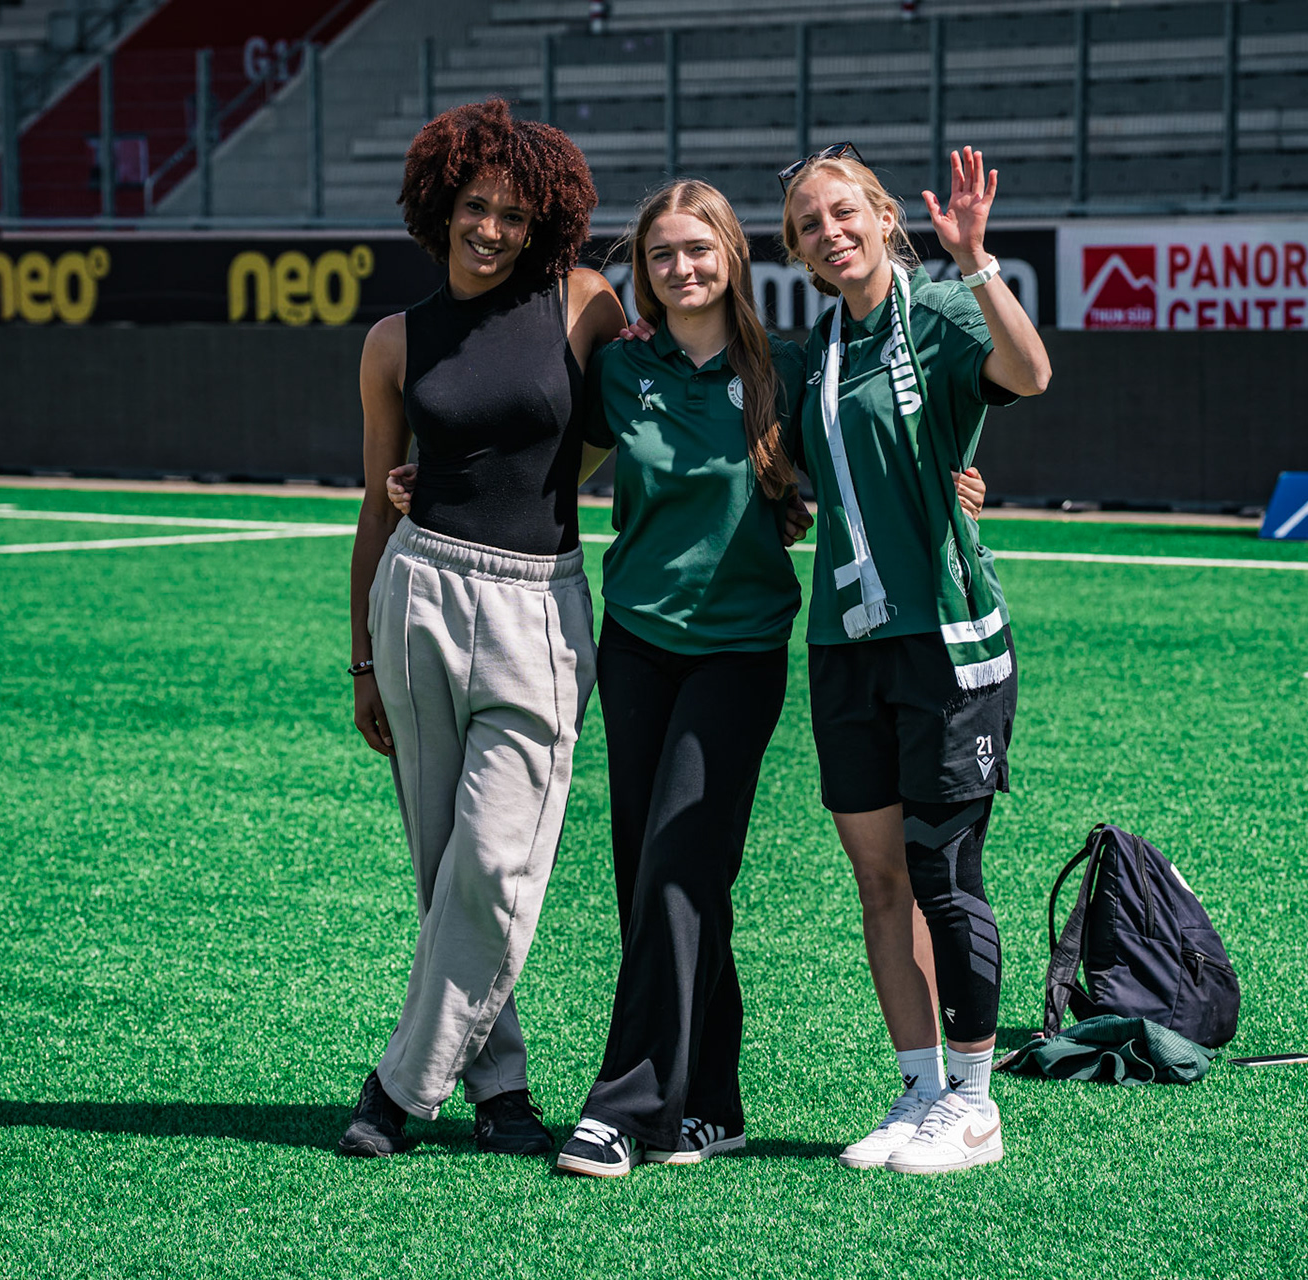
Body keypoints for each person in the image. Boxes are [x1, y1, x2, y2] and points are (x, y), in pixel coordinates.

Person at [387, 177, 992, 1175]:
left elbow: (876, 441)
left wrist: (962, 478)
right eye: (662, 254)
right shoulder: (622, 368)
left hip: (741, 651)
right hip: (635, 648)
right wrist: (434, 480)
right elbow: (537, 449)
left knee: (678, 859)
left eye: (698, 250)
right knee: (656, 876)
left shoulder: (787, 367)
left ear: (732, 258)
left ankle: (623, 1104)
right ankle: (711, 1102)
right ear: (646, 271)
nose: (681, 267)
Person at [338, 99, 625, 1160]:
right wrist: (363, 655)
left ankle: (399, 1086)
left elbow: (615, 434)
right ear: (438, 208)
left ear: (540, 221)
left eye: (511, 212)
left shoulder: (584, 304)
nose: (491, 228)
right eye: (474, 206)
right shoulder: (392, 341)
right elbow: (375, 505)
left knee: (497, 864)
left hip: (540, 604)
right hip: (417, 597)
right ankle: (499, 1088)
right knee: (442, 863)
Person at [779, 144, 1050, 1174]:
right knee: (878, 879)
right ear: (798, 249)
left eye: (843, 211)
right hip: (845, 644)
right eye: (809, 223)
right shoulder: (811, 349)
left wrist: (977, 257)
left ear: (884, 215)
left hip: (947, 640)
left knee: (944, 871)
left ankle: (976, 1103)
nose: (830, 231)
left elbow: (1028, 374)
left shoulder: (936, 309)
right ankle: (920, 1085)